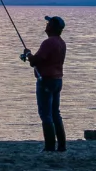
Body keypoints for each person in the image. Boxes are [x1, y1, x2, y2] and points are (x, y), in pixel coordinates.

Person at [24, 15, 67, 152]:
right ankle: (61, 146)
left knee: (46, 114)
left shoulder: (48, 43)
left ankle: (49, 146)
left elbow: (36, 61)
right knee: (55, 113)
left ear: (51, 27)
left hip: (46, 81)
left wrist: (28, 54)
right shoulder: (61, 42)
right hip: (57, 80)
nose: (46, 25)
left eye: (48, 23)